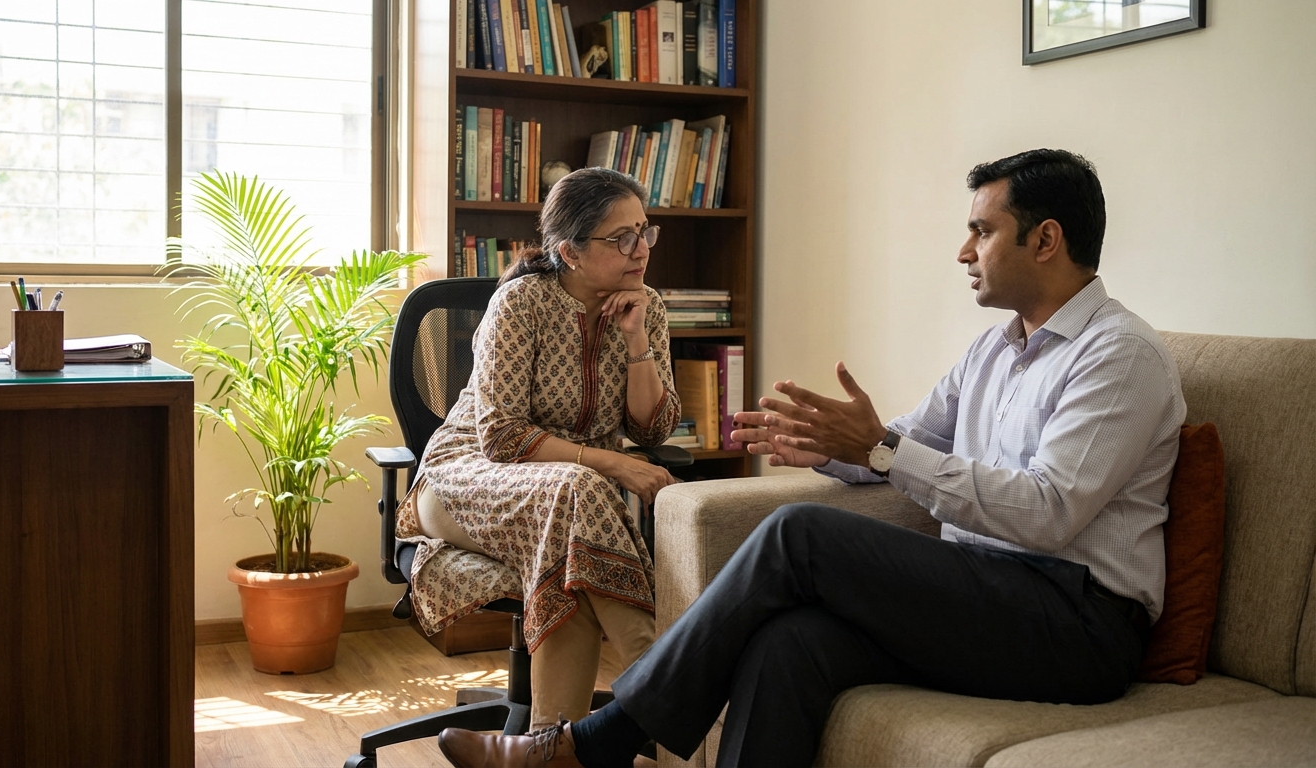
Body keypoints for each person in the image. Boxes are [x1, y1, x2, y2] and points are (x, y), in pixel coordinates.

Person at [434, 149, 1186, 768]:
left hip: (1077, 621)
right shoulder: (996, 348)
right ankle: (598, 742)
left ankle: (600, 740)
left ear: (1045, 240)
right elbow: (903, 443)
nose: (963, 251)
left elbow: (1049, 512)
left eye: (981, 232)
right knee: (789, 643)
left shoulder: (1117, 356)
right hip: (989, 593)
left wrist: (882, 452)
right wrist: (830, 450)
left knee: (800, 535)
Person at [396, 167, 681, 732]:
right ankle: (665, 682)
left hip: (564, 508)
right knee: (575, 489)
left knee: (565, 554)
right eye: (619, 237)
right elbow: (500, 437)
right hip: (463, 481)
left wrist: (637, 341)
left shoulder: (646, 306)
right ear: (570, 251)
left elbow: (654, 432)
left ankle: (546, 746)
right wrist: (610, 462)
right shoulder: (520, 303)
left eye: (644, 232)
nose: (639, 249)